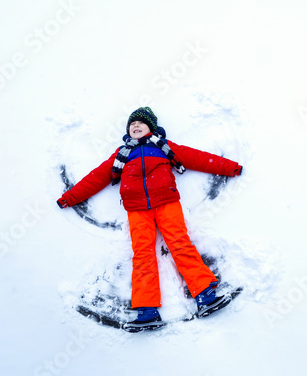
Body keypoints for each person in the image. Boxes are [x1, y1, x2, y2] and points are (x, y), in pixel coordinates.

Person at [57, 107, 243, 332]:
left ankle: (205, 295)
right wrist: (70, 197)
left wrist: (230, 168)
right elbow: (95, 178)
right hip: (137, 210)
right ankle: (147, 309)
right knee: (143, 253)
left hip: (167, 203)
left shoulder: (164, 147)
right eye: (132, 125)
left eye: (140, 124)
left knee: (180, 243)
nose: (135, 127)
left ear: (151, 128)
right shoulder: (122, 154)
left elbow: (198, 158)